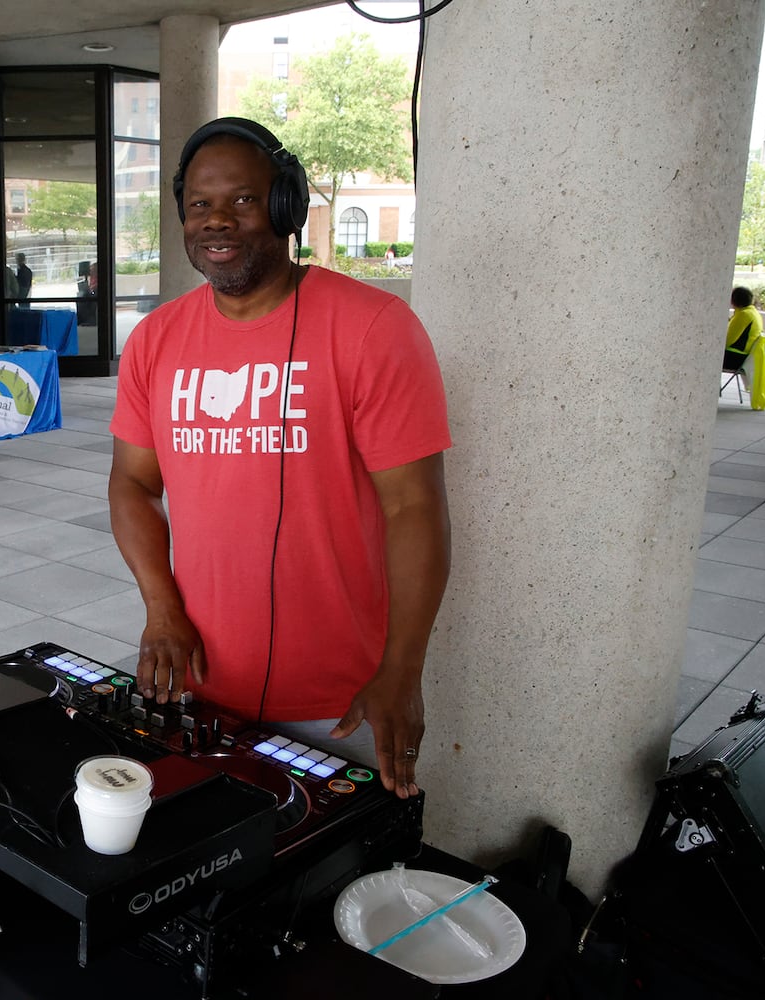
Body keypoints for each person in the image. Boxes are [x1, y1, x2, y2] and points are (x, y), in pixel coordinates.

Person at [107, 118, 452, 799]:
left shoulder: (375, 328)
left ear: (287, 206)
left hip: (342, 701)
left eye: (242, 199)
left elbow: (415, 507)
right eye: (200, 204)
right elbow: (133, 483)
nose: (218, 221)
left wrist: (403, 671)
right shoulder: (153, 341)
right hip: (196, 692)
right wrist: (160, 608)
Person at [723, 285, 765, 410]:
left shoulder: (743, 315)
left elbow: (727, 340)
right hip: (743, 357)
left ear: (733, 300)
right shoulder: (753, 313)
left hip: (734, 358)